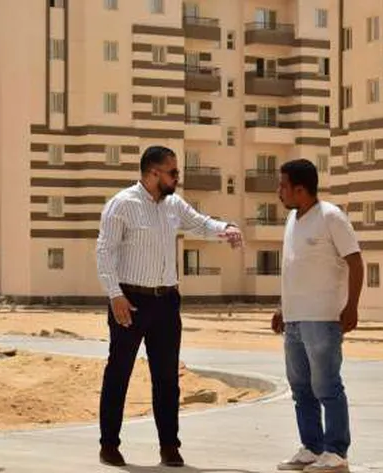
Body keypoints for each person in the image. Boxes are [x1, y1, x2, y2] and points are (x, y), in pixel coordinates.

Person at [95, 145, 243, 467]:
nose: (178, 178)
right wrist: (115, 295)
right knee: (119, 373)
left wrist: (226, 229)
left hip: (166, 303)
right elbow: (105, 252)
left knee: (167, 379)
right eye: (173, 172)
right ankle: (109, 445)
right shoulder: (122, 204)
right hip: (130, 301)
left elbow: (200, 223)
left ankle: (169, 447)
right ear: (153, 173)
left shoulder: (173, 204)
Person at [271, 159, 363, 473]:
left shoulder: (331, 217)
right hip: (294, 319)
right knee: (300, 388)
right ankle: (311, 448)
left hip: (323, 318)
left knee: (327, 386)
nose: (279, 191)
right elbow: (294, 267)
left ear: (300, 189)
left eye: (283, 186)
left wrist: (352, 306)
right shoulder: (292, 219)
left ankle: (336, 453)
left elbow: (355, 261)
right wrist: (283, 308)